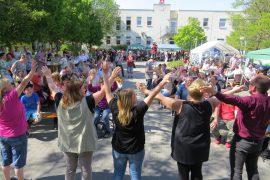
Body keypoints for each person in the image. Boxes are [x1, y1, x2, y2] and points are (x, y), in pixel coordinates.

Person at [42, 65, 121, 180]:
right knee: (86, 169)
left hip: (67, 143)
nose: (85, 89)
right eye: (82, 88)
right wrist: (111, 75)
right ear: (77, 92)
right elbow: (104, 90)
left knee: (70, 169)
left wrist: (48, 75)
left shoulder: (60, 100)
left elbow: (52, 88)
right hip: (85, 144)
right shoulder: (88, 102)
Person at [138, 79, 219, 180]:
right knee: (197, 173)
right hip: (201, 147)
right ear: (204, 92)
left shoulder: (180, 105)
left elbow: (159, 96)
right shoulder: (209, 104)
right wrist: (231, 90)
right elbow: (220, 97)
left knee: (183, 175)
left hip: (183, 147)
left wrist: (145, 90)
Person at [102, 61, 171, 180]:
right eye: (135, 96)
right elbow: (153, 94)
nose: (137, 97)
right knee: (135, 175)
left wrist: (107, 74)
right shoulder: (138, 110)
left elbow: (107, 91)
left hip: (119, 148)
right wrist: (162, 82)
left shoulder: (114, 107)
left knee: (118, 174)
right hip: (136, 149)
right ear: (132, 100)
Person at [201, 75, 270, 180]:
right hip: (258, 142)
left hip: (242, 142)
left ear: (254, 88)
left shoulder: (249, 100)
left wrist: (214, 92)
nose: (249, 86)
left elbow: (229, 99)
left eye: (250, 84)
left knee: (237, 171)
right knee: (253, 170)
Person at [0, 61, 37, 180]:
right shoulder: (12, 96)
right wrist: (31, 71)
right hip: (17, 134)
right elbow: (24, 82)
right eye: (10, 83)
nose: (12, 84)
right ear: (5, 88)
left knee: (5, 161)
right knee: (18, 163)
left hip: (2, 135)